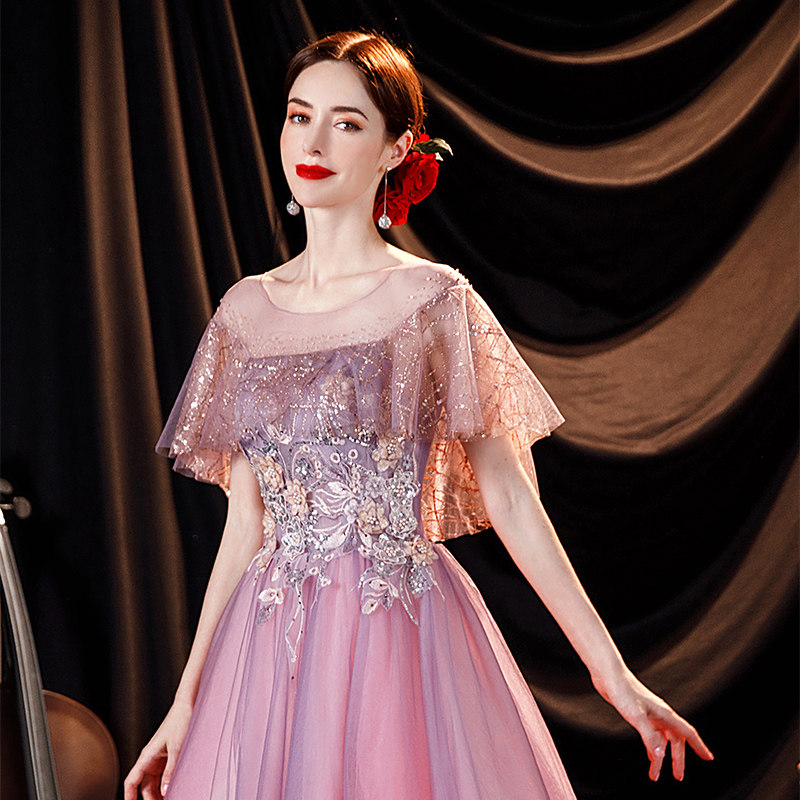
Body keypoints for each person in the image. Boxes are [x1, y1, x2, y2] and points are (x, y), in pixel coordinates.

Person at [124, 30, 713, 799]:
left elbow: (511, 499)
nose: (313, 142)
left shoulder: (432, 300)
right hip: (270, 646)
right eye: (300, 116)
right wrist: (186, 704)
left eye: (347, 122)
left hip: (397, 636)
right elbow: (246, 524)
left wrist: (614, 675)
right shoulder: (243, 311)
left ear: (396, 148)